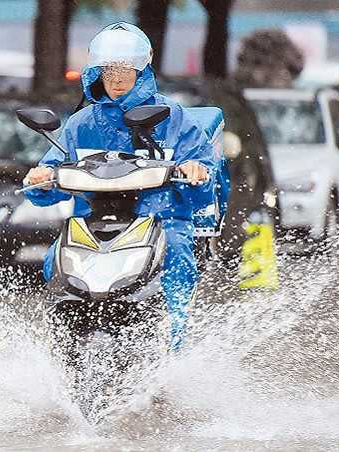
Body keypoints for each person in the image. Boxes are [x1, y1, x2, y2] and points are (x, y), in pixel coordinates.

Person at [23, 23, 218, 350]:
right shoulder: (81, 124)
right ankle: (59, 344)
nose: (114, 79)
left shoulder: (175, 119)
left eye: (124, 71)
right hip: (91, 224)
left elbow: (201, 184)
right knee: (54, 260)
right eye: (107, 71)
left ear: (142, 70)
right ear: (94, 72)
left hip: (160, 221)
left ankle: (173, 345)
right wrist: (40, 180)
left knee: (176, 256)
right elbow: (51, 177)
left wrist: (196, 171)